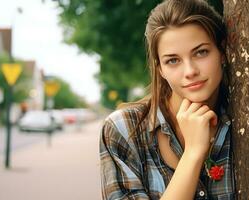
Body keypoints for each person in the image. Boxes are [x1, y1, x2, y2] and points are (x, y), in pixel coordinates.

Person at [100, 0, 235, 199]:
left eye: (201, 52)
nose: (190, 71)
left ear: (222, 52)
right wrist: (193, 153)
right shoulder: (123, 130)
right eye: (173, 60)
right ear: (160, 68)